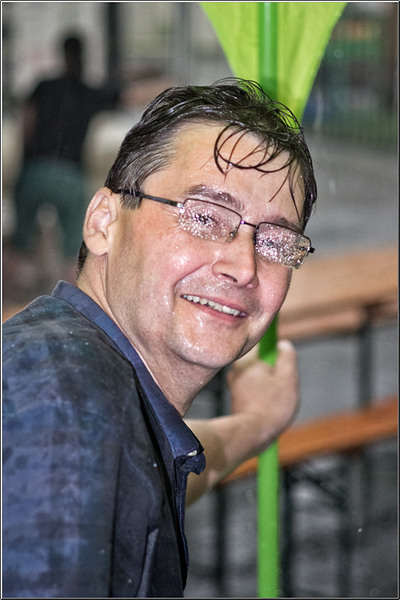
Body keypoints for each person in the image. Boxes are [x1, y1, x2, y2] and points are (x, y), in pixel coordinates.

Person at [2, 78, 317, 598]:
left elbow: (155, 466)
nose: (244, 266)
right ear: (102, 221)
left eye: (276, 241)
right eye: (205, 216)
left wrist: (258, 422)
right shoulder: (61, 403)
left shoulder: (94, 385)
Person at [10, 34, 119, 275]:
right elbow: (127, 95)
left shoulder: (44, 87)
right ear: (83, 56)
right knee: (75, 251)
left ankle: (9, 292)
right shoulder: (88, 92)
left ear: (63, 54)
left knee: (18, 246)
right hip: (70, 173)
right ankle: (70, 294)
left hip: (36, 167)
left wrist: (25, 163)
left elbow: (26, 122)